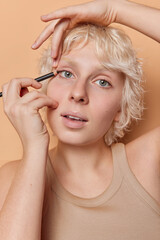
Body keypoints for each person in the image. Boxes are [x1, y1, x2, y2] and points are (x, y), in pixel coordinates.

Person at [0, 1, 159, 240]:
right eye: (66, 73)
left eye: (102, 81)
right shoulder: (10, 177)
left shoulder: (148, 162)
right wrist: (34, 147)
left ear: (121, 108)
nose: (78, 93)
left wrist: (113, 10)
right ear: (44, 88)